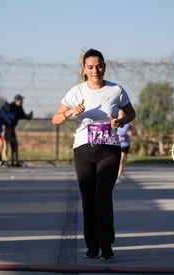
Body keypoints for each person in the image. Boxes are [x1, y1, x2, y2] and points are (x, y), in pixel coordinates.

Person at [52, 49, 136, 260]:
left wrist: (121, 121)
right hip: (83, 149)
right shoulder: (76, 92)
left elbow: (131, 112)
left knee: (103, 196)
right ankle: (92, 246)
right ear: (84, 69)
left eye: (98, 66)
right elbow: (56, 119)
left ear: (104, 66)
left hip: (109, 149)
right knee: (88, 199)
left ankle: (106, 243)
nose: (95, 70)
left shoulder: (116, 90)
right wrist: (72, 112)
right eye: (90, 67)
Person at [5, 94, 33, 166]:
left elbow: (22, 115)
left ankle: (15, 161)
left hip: (12, 128)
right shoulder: (11, 106)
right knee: (6, 145)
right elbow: (11, 116)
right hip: (7, 127)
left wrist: (28, 116)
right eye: (21, 100)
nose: (22, 101)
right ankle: (5, 161)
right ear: (17, 100)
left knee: (14, 144)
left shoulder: (19, 107)